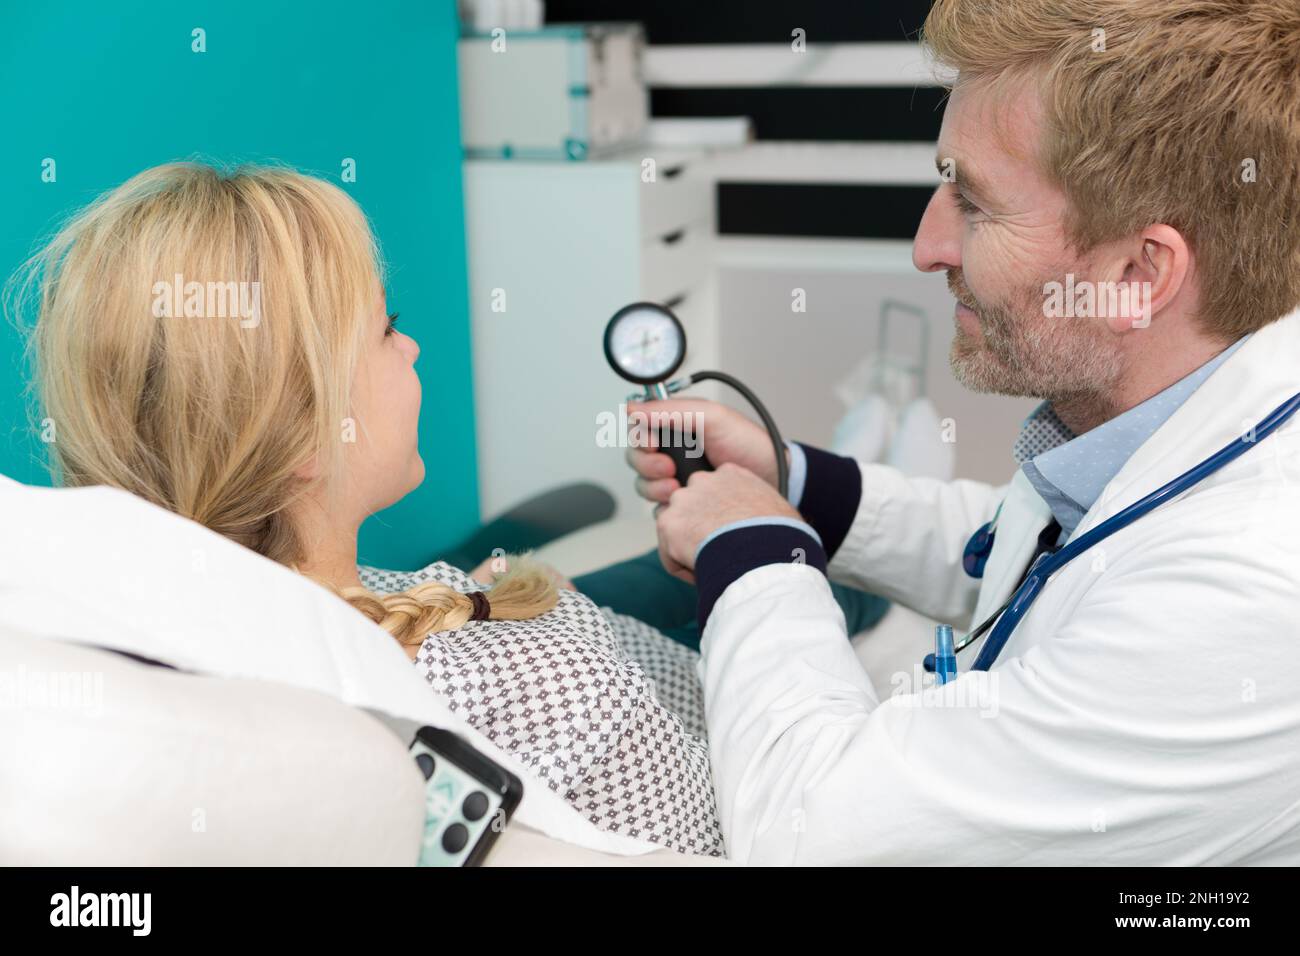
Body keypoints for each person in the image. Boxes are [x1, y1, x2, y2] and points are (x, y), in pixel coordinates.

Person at [629, 0, 1300, 864]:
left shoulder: (1243, 593)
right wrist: (798, 485)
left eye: (973, 203)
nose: (927, 245)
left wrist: (754, 553)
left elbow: (812, 833)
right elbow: (1042, 559)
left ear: (1139, 272)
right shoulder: (1196, 415)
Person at [17, 162, 726, 856]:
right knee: (810, 561)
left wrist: (465, 605)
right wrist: (760, 559)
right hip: (712, 701)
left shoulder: (193, 641)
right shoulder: (542, 685)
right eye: (387, 327)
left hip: (516, 620)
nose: (411, 346)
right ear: (305, 435)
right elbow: (763, 831)